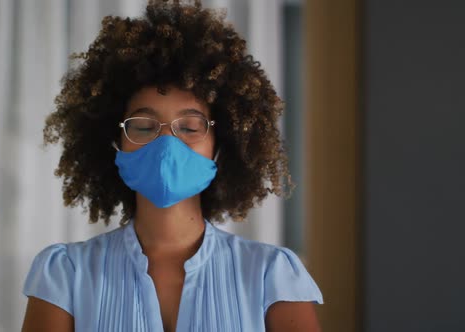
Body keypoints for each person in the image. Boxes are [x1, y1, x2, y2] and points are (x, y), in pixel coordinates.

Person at [21, 1, 323, 331]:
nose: (166, 144)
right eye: (144, 126)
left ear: (220, 147)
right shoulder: (66, 273)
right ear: (115, 143)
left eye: (190, 128)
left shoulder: (272, 274)